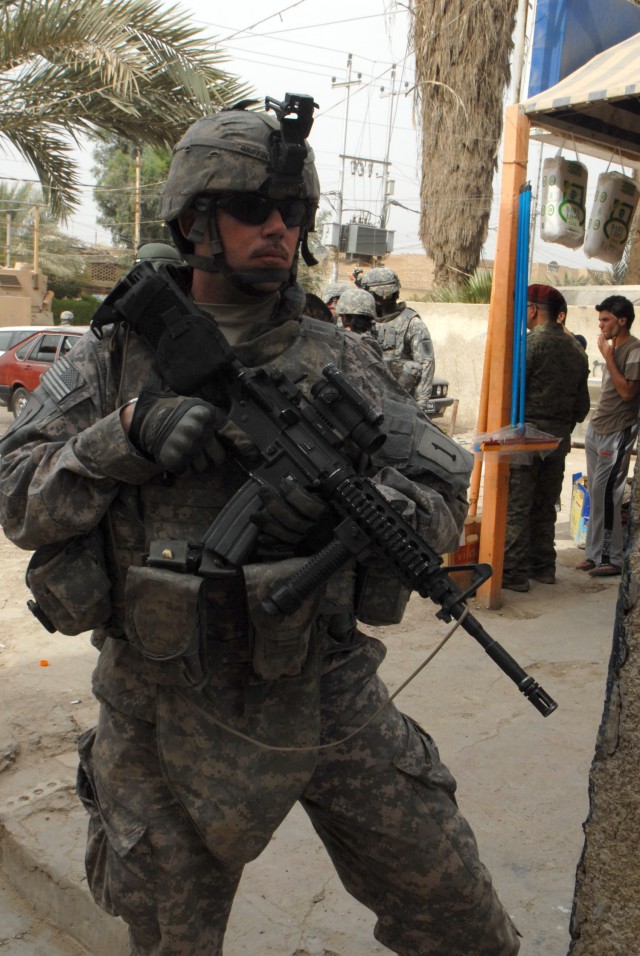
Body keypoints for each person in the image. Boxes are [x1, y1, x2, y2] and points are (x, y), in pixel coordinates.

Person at [0, 96, 519, 956]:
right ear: (194, 219)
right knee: (169, 938)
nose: (276, 229)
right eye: (250, 210)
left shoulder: (341, 356)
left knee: (460, 915)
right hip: (161, 698)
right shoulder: (115, 355)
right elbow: (14, 493)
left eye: (293, 213)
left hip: (324, 685)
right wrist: (118, 440)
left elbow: (439, 478)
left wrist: (392, 513)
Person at [502, 284, 590, 592]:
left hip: (526, 441)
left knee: (518, 508)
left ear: (533, 310)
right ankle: (544, 567)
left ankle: (513, 573)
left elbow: (511, 395)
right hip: (559, 442)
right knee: (545, 506)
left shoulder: (530, 346)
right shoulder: (576, 350)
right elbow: (582, 409)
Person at [576, 295, 640, 577]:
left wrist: (608, 357)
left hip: (617, 431)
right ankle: (594, 554)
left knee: (607, 495)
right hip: (598, 428)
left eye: (605, 320)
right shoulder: (612, 348)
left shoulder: (633, 351)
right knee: (596, 493)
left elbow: (627, 392)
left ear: (622, 320)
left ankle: (612, 558)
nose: (600, 325)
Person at [359, 267, 436, 412]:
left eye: (370, 294)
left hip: (401, 401)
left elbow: (426, 364)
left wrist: (420, 405)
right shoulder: (363, 319)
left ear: (384, 295)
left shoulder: (412, 323)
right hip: (368, 397)